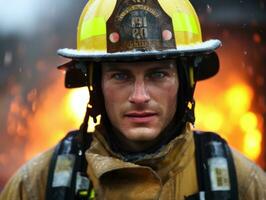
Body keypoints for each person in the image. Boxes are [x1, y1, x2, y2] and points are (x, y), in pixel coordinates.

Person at [1, 0, 266, 199]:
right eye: (120, 76)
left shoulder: (242, 184)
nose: (140, 97)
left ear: (186, 82)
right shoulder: (37, 185)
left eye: (158, 74)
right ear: (95, 85)